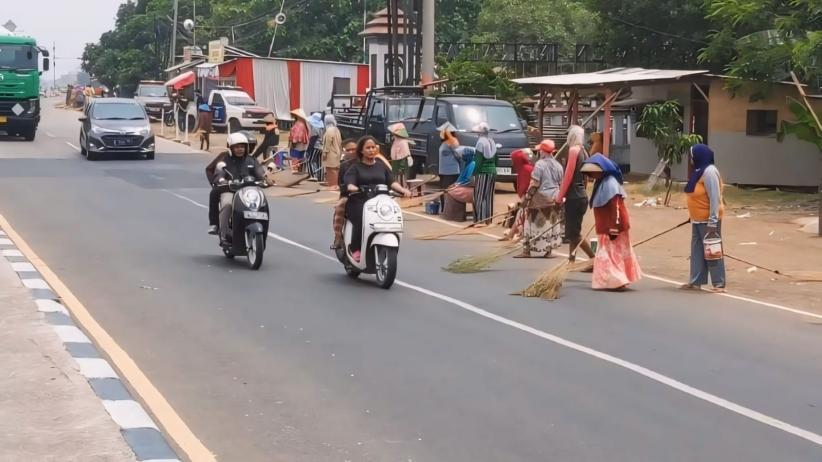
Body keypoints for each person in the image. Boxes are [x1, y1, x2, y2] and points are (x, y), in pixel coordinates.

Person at [343, 136, 412, 262]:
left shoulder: (381, 166)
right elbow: (349, 183)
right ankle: (355, 248)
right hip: (359, 201)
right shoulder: (355, 167)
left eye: (373, 147)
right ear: (361, 151)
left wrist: (403, 190)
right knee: (361, 218)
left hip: (380, 203)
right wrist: (354, 188)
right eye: (367, 148)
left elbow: (392, 182)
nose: (371, 150)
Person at [580, 154, 641, 290]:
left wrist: (614, 227)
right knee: (614, 254)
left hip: (613, 226)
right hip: (607, 224)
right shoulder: (601, 183)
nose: (591, 175)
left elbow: (616, 207)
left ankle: (616, 280)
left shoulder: (610, 183)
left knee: (610, 255)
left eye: (593, 172)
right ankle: (618, 280)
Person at [682, 143, 726, 293]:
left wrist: (713, 222)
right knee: (697, 251)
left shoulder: (710, 172)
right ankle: (696, 281)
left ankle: (718, 283)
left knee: (712, 250)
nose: (691, 159)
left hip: (709, 220)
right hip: (697, 219)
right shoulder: (698, 171)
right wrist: (692, 216)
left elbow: (715, 198)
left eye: (692, 156)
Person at [204, 133, 267, 235]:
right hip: (230, 190)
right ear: (231, 148)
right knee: (227, 204)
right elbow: (219, 172)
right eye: (237, 147)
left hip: (248, 191)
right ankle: (222, 231)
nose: (240, 149)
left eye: (242, 147)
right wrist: (221, 180)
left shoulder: (251, 160)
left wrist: (265, 178)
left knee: (262, 203)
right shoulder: (224, 158)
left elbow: (259, 171)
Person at [516, 140, 564, 258]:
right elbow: (561, 183)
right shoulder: (559, 165)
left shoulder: (539, 165)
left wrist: (527, 198)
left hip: (540, 199)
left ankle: (527, 250)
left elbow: (535, 184)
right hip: (554, 197)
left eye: (539, 150)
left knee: (530, 223)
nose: (538, 152)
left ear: (542, 152)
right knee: (551, 223)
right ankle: (548, 251)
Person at [556, 125, 596, 264]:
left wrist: (559, 197)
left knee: (574, 233)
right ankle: (571, 261)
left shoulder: (573, 150)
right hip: (582, 196)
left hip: (574, 196)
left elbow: (568, 176)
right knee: (574, 231)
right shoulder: (584, 151)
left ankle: (594, 259)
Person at [331, 139, 359, 249]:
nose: (351, 152)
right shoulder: (344, 166)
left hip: (367, 195)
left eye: (354, 149)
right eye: (349, 150)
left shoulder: (365, 163)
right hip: (349, 195)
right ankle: (338, 238)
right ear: (345, 151)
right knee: (340, 207)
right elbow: (341, 184)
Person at [472, 122, 498, 224]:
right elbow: (496, 159)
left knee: (479, 196)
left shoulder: (480, 142)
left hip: (483, 172)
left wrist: (474, 173)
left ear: (480, 133)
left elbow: (478, 161)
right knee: (489, 196)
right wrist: (494, 169)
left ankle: (480, 220)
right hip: (492, 172)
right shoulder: (492, 141)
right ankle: (488, 220)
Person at [438, 122, 463, 197]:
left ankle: (448, 208)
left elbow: (458, 155)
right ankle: (444, 208)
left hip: (451, 172)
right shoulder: (444, 142)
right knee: (443, 193)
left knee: (448, 193)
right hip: (444, 172)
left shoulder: (452, 141)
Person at [388, 122, 414, 188]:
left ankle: (403, 190)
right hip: (395, 162)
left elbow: (405, 155)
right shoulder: (396, 141)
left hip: (402, 163)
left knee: (401, 178)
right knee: (395, 178)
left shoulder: (403, 142)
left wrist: (401, 166)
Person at [321, 114, 342, 189]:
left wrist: (325, 153)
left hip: (331, 153)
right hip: (337, 153)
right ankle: (334, 185)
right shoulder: (337, 129)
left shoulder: (329, 130)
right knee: (335, 170)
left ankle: (332, 187)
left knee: (331, 171)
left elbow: (328, 143)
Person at [288, 108, 310, 173]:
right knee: (301, 159)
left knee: (295, 158)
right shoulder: (305, 123)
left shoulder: (298, 124)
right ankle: (301, 171)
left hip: (296, 146)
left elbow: (296, 136)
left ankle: (295, 171)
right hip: (303, 146)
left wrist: (293, 144)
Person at [306, 112, 325, 180]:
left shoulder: (314, 128)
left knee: (310, 161)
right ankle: (320, 177)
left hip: (315, 146)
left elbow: (313, 139)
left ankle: (313, 176)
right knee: (319, 162)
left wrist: (308, 149)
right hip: (321, 146)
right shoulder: (321, 128)